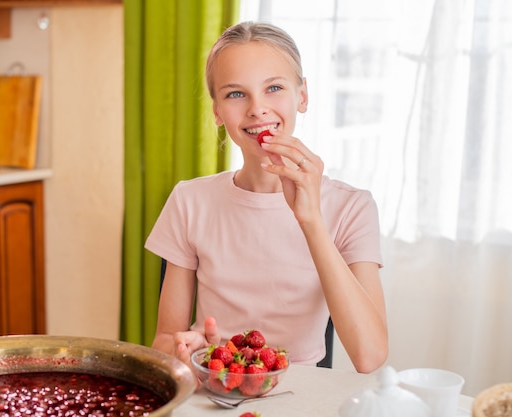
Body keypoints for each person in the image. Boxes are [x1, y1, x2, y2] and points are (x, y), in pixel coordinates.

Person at [145, 21, 388, 373]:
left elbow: (370, 357)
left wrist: (311, 220)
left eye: (273, 88)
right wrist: (185, 352)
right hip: (216, 387)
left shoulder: (352, 207)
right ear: (216, 111)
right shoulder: (188, 200)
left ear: (302, 96)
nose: (257, 109)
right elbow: (166, 341)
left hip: (302, 395)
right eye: (235, 94)